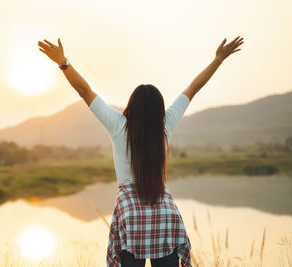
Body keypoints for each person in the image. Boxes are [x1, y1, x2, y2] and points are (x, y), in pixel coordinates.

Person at [38, 36, 243, 267]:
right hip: (164, 216)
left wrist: (63, 62)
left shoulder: (118, 125)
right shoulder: (164, 125)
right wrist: (218, 60)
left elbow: (85, 91)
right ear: (159, 108)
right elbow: (193, 89)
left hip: (131, 216)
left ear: (131, 105)